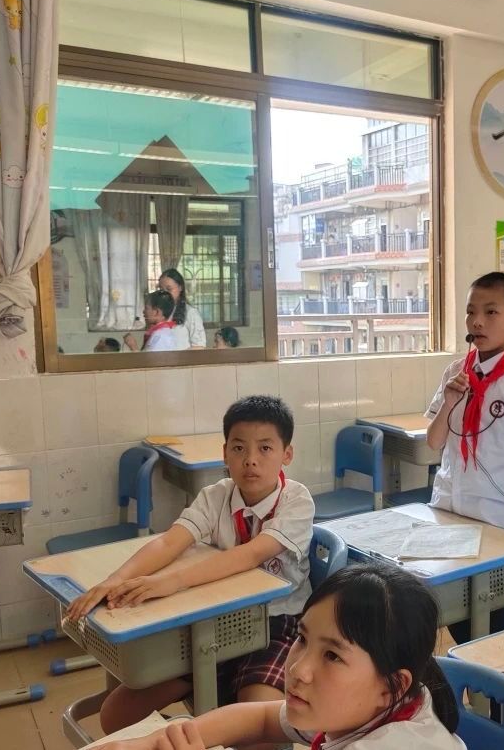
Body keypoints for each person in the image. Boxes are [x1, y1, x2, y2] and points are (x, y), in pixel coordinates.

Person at [66, 396, 314, 733]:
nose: (251, 460)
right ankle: (194, 734)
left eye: (265, 448)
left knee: (257, 724)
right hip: (211, 624)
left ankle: (210, 731)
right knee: (117, 715)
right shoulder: (216, 496)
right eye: (239, 448)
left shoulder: (296, 501)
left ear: (287, 454)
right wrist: (116, 579)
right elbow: (170, 542)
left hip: (276, 624)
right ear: (225, 453)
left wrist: (172, 582)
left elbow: (251, 554)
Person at [95, 564, 465, 750]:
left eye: (332, 656)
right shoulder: (364, 705)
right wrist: (150, 742)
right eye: (302, 638)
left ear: (393, 686)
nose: (299, 669)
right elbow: (259, 719)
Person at [425, 271, 504, 643]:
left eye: (491, 312)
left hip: (494, 520)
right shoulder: (456, 372)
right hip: (448, 511)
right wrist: (450, 402)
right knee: (450, 613)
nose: (477, 321)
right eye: (471, 312)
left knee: (488, 622)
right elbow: (434, 443)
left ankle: (489, 681)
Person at [159, 269, 206, 350]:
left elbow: (199, 346)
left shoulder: (191, 313)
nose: (165, 294)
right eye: (161, 290)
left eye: (169, 289)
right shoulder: (157, 313)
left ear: (180, 287)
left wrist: (179, 356)